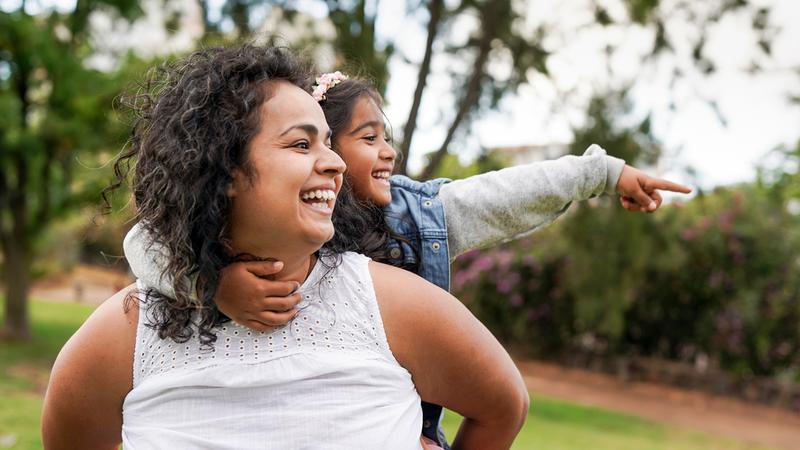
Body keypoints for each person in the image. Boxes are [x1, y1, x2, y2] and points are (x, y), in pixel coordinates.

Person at [123, 73, 692, 446]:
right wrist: (211, 283)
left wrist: (603, 172)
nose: (387, 151)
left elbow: (508, 193)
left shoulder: (417, 215)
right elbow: (146, 241)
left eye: (386, 137)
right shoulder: (249, 231)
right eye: (366, 137)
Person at [41, 45, 529, 449]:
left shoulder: (393, 304)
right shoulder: (127, 331)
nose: (336, 165)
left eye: (329, 145)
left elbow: (503, 406)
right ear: (225, 169)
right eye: (302, 145)